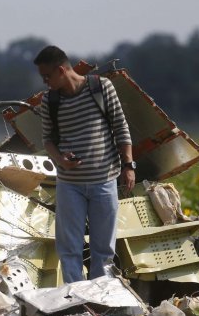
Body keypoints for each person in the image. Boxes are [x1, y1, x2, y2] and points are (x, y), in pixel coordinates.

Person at [34, 45, 135, 283]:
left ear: (61, 70)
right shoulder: (49, 101)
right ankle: (77, 300)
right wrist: (60, 160)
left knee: (103, 251)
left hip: (104, 181)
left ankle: (100, 298)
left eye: (48, 76)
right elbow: (48, 140)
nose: (45, 82)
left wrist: (129, 166)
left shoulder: (100, 88)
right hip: (69, 185)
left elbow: (121, 128)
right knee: (69, 249)